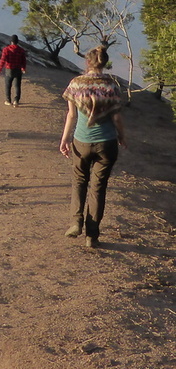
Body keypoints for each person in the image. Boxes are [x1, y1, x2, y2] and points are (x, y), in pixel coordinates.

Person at [59, 46, 127, 249]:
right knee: (98, 188)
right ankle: (92, 235)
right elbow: (116, 117)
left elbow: (71, 115)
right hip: (107, 143)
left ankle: (75, 222)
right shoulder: (111, 86)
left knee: (79, 181)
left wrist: (64, 139)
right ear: (104, 62)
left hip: (82, 141)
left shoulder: (76, 83)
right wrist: (122, 137)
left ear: (87, 62)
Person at [0, 34, 27, 107]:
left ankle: (8, 100)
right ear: (17, 41)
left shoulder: (6, 49)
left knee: (8, 85)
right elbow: (23, 61)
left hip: (9, 69)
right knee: (17, 86)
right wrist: (23, 68)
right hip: (18, 69)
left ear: (11, 41)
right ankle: (16, 101)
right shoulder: (21, 50)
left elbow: (2, 61)